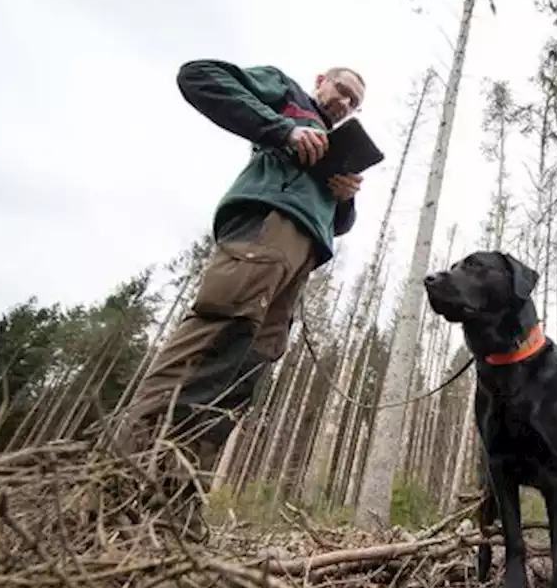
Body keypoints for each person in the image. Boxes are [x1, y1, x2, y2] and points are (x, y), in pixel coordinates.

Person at [115, 59, 368, 530]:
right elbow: (200, 76)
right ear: (320, 82)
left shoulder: (337, 146)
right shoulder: (288, 94)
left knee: (244, 368)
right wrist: (284, 131)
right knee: (212, 341)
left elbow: (341, 223)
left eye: (355, 101)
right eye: (342, 89)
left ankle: (175, 509)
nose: (346, 102)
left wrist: (346, 192)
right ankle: (118, 489)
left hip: (303, 255)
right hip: (264, 229)